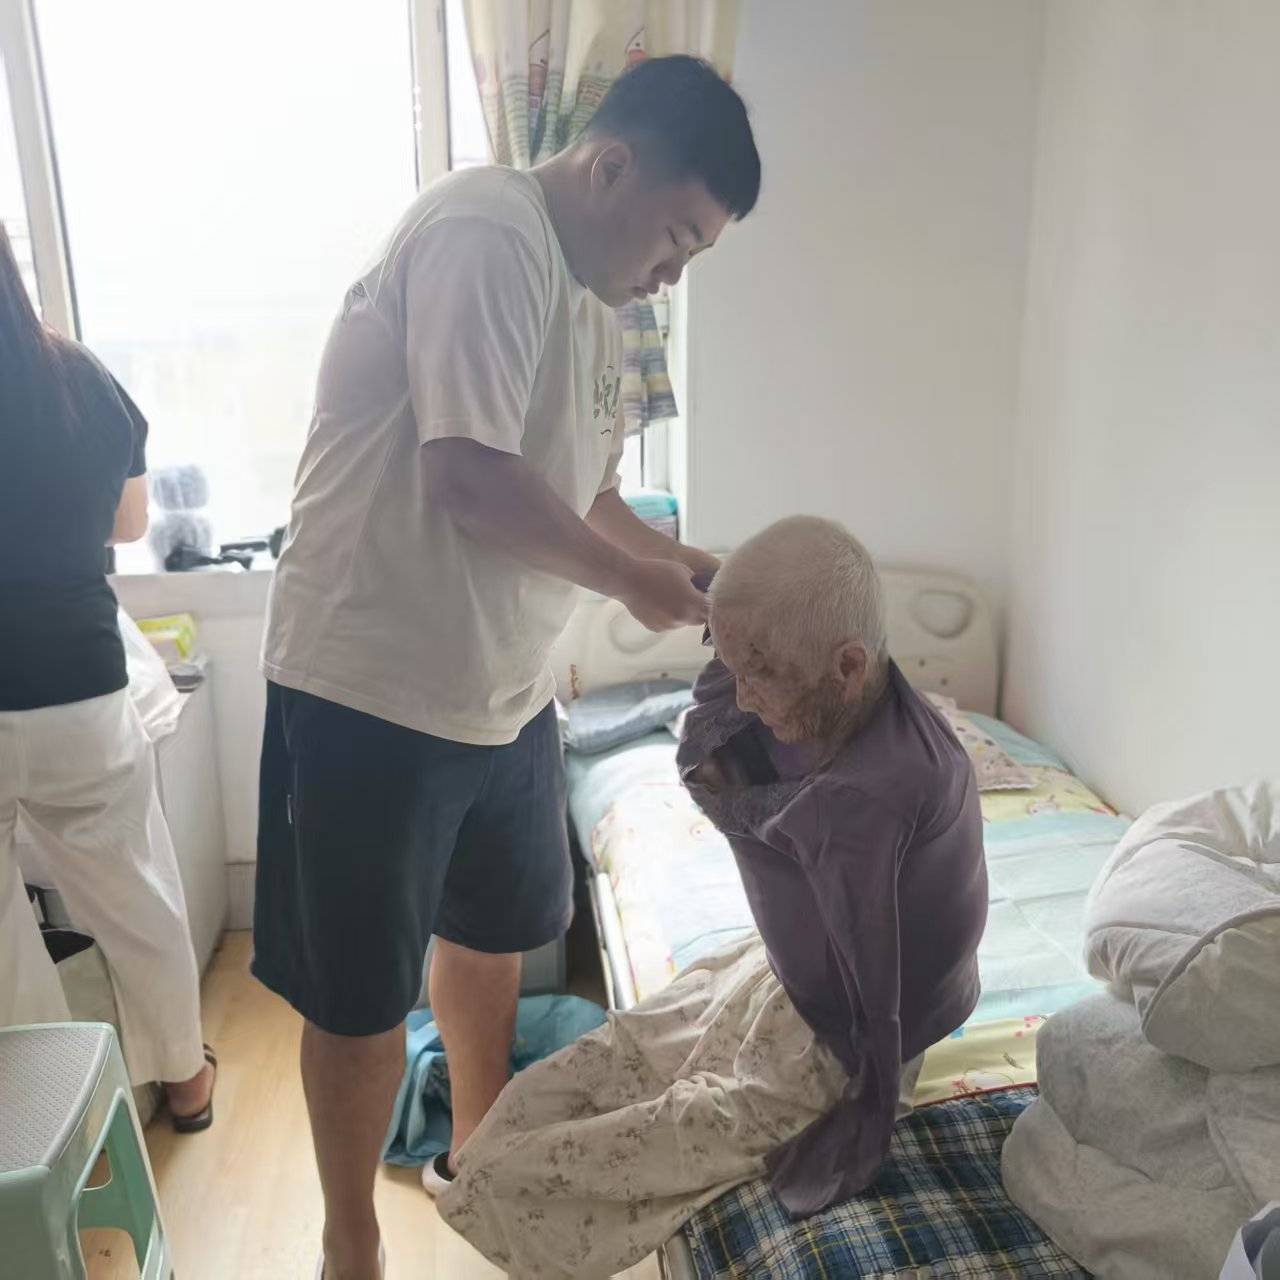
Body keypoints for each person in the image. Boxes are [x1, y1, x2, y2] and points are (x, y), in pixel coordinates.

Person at [252, 55, 760, 1280]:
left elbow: (586, 492)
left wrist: (689, 562)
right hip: (370, 682)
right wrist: (630, 583)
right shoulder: (488, 230)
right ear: (610, 165)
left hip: (505, 688)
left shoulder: (601, 303)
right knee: (359, 994)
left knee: (491, 938)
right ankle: (349, 1241)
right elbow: (466, 476)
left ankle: (474, 1156)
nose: (671, 273)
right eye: (676, 238)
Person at [434, 517, 989, 1277]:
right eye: (733, 665)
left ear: (847, 666)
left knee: (651, 1129)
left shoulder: (868, 801)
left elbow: (879, 992)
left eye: (759, 675)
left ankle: (487, 1183)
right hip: (788, 973)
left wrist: (867, 1113)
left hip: (852, 1037)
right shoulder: (845, 689)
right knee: (626, 1049)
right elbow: (729, 691)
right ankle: (485, 1157)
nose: (744, 696)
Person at [0, 223, 215, 1129]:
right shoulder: (78, 377)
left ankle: (54, 1125)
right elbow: (128, 524)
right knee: (133, 894)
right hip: (76, 688)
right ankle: (187, 1080)